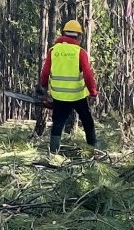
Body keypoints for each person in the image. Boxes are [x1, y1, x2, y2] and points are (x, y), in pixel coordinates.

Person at [38, 19, 102, 153]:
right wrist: (93, 93)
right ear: (78, 36)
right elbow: (88, 75)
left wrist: (43, 86)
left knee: (57, 124)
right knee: (87, 121)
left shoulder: (54, 50)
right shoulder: (80, 52)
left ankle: (53, 153)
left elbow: (45, 72)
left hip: (60, 96)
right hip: (78, 96)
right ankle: (93, 147)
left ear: (63, 34)